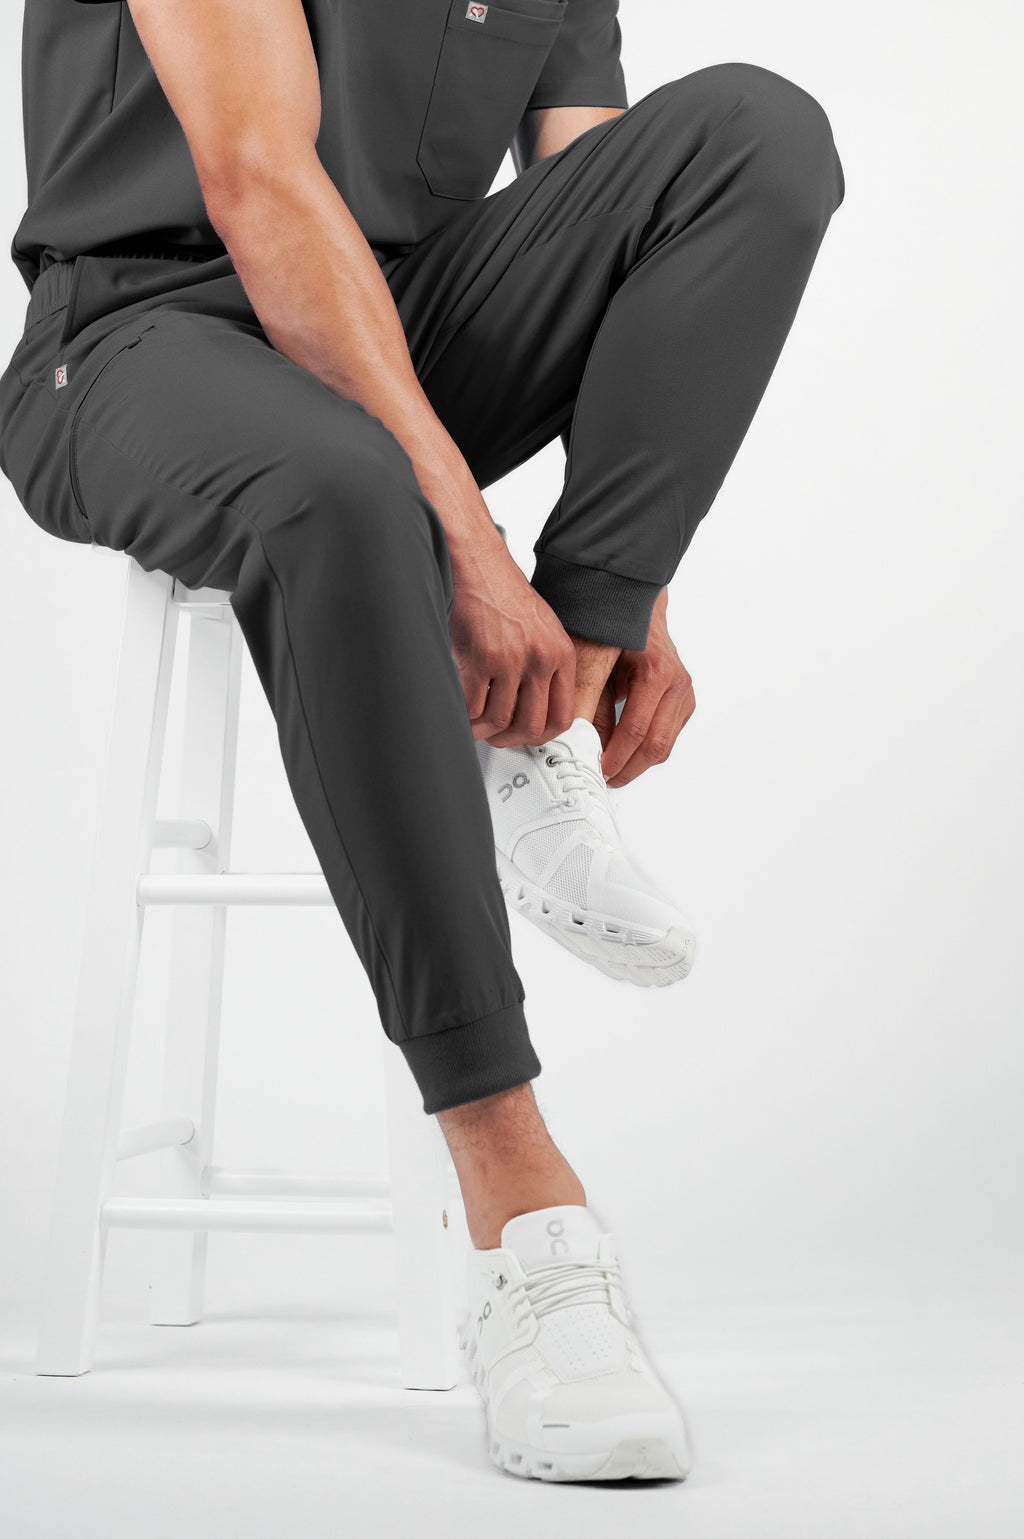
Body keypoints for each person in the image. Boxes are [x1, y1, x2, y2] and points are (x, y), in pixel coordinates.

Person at [0, 0, 844, 1484]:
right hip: (137, 338)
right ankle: (525, 1225)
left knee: (751, 132)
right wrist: (473, 546)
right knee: (344, 489)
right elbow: (260, 179)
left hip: (391, 330)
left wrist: (617, 594)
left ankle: (531, 731)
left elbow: (612, 228)